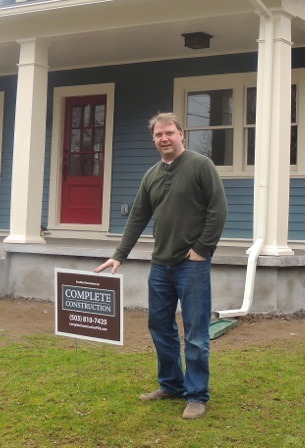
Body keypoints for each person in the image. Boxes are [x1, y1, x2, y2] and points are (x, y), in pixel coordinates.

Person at [95, 112, 227, 420]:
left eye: (169, 133)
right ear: (154, 140)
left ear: (182, 135)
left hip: (191, 265)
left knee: (195, 333)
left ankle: (196, 395)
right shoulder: (151, 175)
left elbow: (217, 210)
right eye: (158, 135)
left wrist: (201, 249)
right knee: (160, 327)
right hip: (160, 266)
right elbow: (138, 216)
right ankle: (171, 385)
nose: (164, 138)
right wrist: (119, 254)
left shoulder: (200, 166)